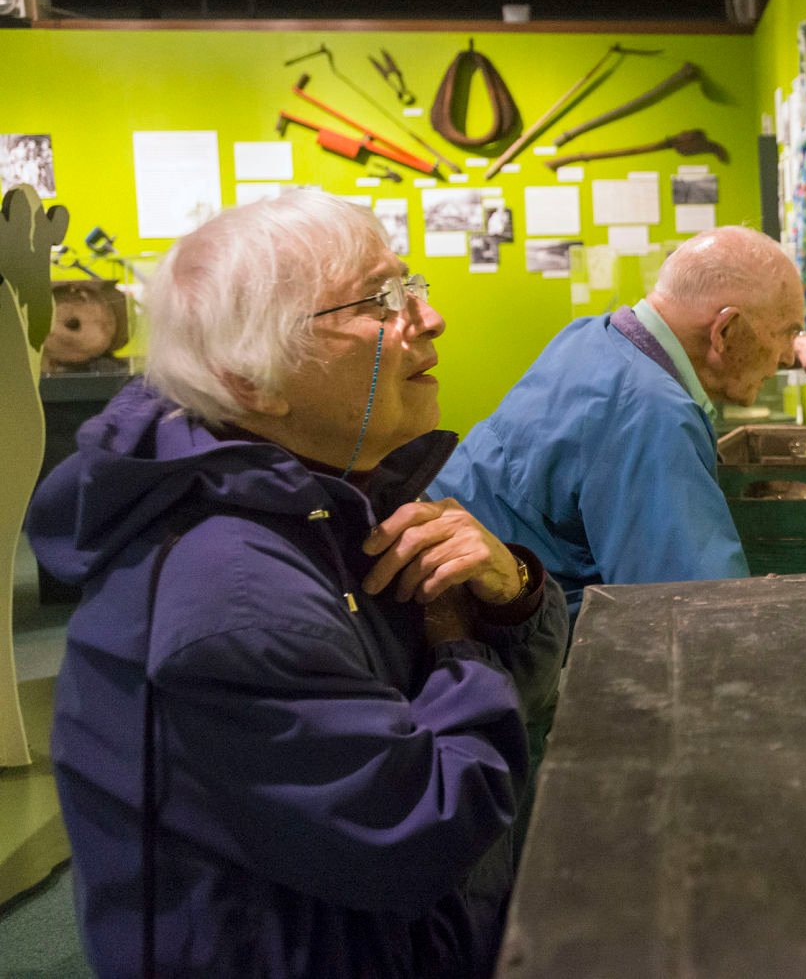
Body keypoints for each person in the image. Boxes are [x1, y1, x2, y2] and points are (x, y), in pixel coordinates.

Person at [28, 191, 568, 978]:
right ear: (254, 379)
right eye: (381, 298)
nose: (430, 315)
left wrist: (509, 591)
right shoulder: (233, 601)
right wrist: (458, 636)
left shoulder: (339, 490)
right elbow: (428, 831)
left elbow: (501, 706)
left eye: (408, 282)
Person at [431, 226, 806, 613]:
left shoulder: (595, 339)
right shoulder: (651, 416)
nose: (784, 352)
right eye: (787, 333)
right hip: (487, 631)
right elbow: (695, 609)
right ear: (725, 330)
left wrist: (803, 350)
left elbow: (710, 342)